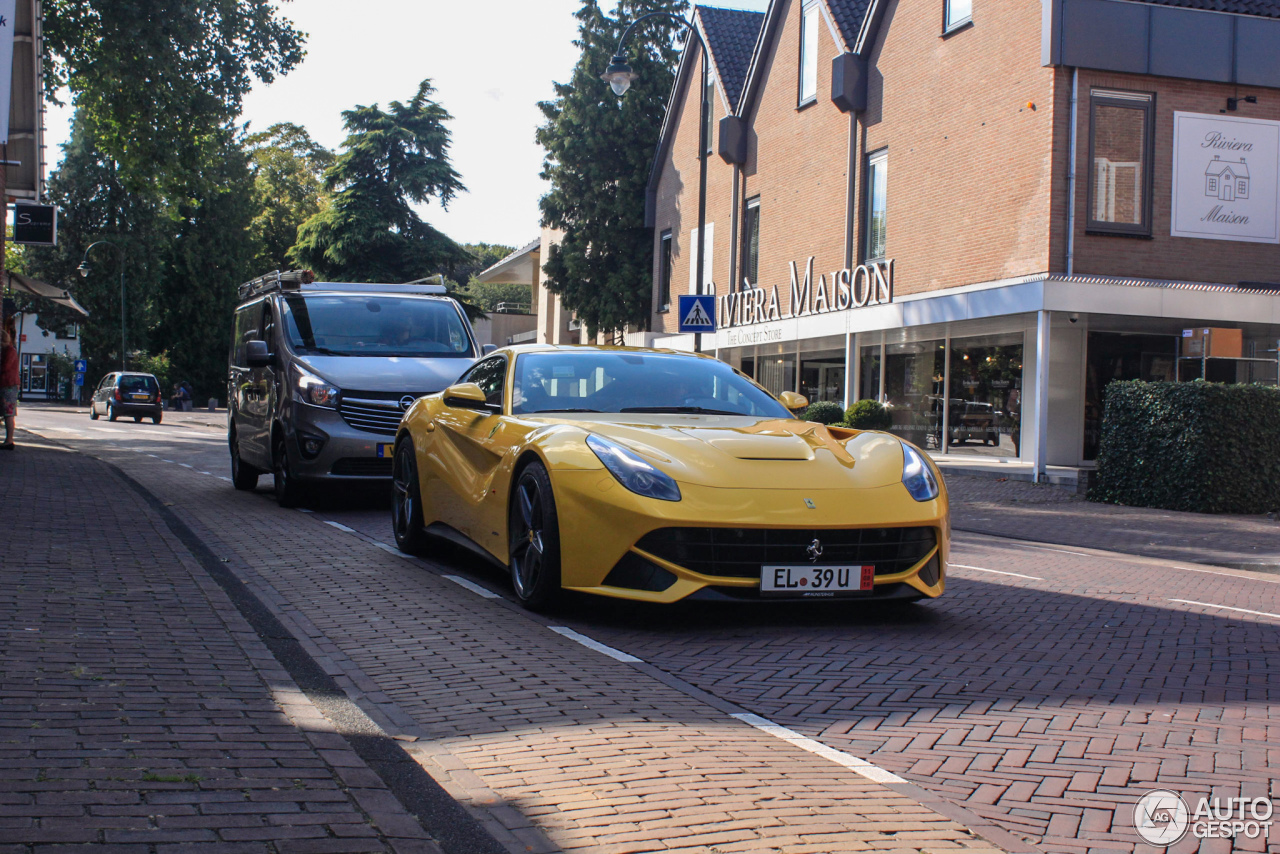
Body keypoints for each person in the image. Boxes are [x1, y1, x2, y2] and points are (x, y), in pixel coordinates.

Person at [1, 328, 19, 450]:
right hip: (7, 384)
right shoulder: (7, 351)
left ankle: (9, 440)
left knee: (8, 413)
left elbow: (5, 367)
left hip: (8, 385)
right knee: (8, 412)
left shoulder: (9, 351)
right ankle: (8, 440)